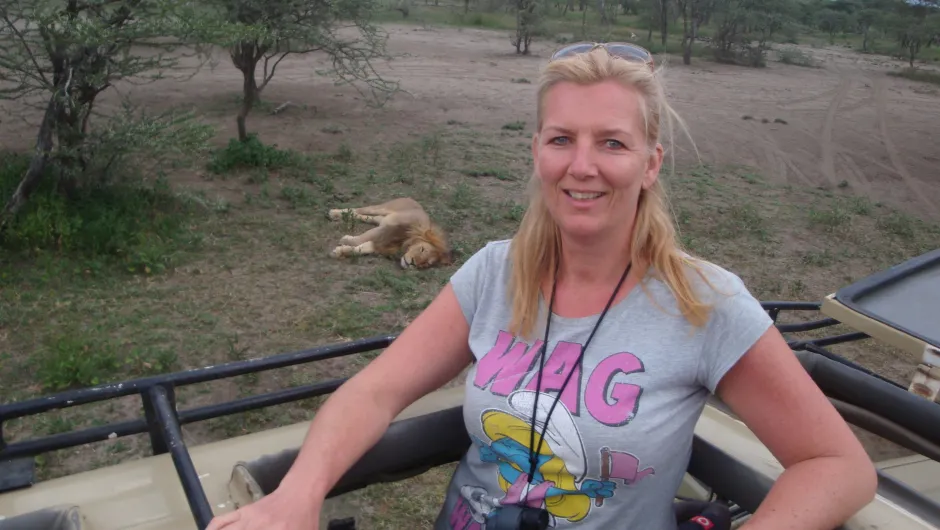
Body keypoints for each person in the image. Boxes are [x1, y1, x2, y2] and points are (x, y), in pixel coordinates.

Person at [207, 42, 877, 530]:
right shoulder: (495, 273)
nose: (581, 166)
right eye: (562, 139)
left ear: (651, 162)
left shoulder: (705, 303)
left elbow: (837, 465)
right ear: (536, 151)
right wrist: (299, 494)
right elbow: (375, 390)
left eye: (612, 143)